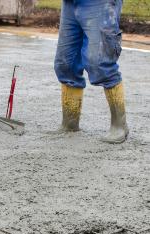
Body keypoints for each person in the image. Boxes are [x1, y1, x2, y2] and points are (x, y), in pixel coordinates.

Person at [54, 0, 128, 143]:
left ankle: (119, 125)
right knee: (66, 63)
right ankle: (70, 123)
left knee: (100, 62)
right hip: (70, 3)